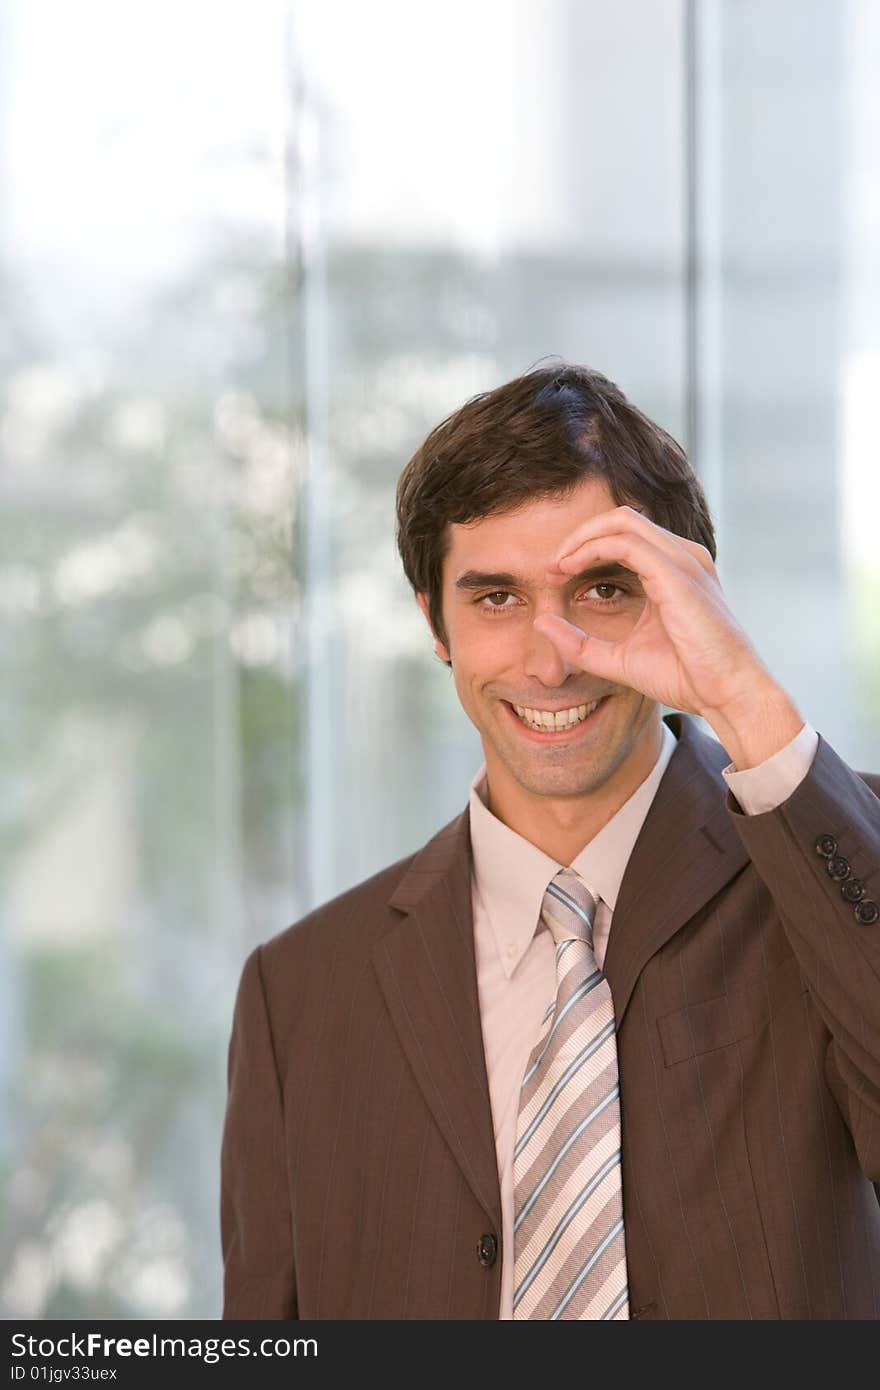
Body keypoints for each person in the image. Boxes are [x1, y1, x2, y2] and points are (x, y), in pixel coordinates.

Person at [220, 362, 880, 1320]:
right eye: (496, 598)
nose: (551, 656)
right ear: (435, 624)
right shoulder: (299, 994)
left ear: (687, 594)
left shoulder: (835, 862)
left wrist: (746, 700)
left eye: (604, 590)